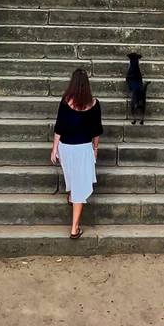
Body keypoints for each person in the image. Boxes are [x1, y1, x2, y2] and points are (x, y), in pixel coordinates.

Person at [50, 68, 103, 239]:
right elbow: (96, 131)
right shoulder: (94, 104)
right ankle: (74, 229)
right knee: (80, 186)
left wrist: (54, 148)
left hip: (66, 147)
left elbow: (59, 127)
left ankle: (73, 195)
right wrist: (95, 149)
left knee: (74, 178)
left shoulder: (65, 101)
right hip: (83, 148)